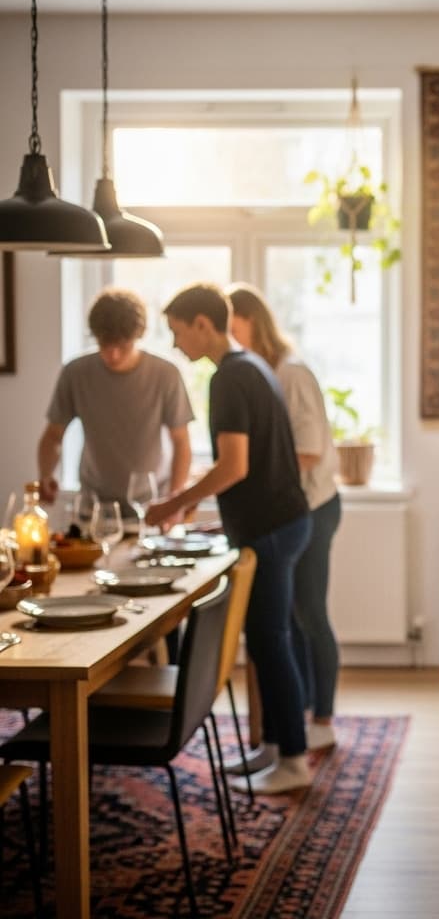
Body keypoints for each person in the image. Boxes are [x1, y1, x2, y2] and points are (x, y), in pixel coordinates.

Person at [145, 283, 313, 794]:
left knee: (269, 643)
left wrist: (173, 504)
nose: (176, 344)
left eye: (177, 332)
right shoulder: (252, 365)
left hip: (270, 529)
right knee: (270, 641)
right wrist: (200, 505)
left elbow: (234, 466)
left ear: (203, 324)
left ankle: (294, 761)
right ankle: (275, 749)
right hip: (282, 522)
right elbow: (247, 463)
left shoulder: (228, 377)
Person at [226, 282, 341, 752]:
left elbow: (308, 451)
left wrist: (251, 475)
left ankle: (324, 719)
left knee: (310, 614)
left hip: (313, 506)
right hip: (288, 510)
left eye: (231, 322)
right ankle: (299, 715)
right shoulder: (260, 372)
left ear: (251, 320)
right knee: (288, 620)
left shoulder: (291, 373)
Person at [37, 287, 193, 522]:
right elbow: (53, 436)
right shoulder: (76, 372)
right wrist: (46, 474)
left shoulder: (166, 374)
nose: (114, 355)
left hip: (150, 506)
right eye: (105, 345)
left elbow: (181, 442)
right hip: (93, 508)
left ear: (137, 336)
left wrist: (174, 500)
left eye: (122, 346)